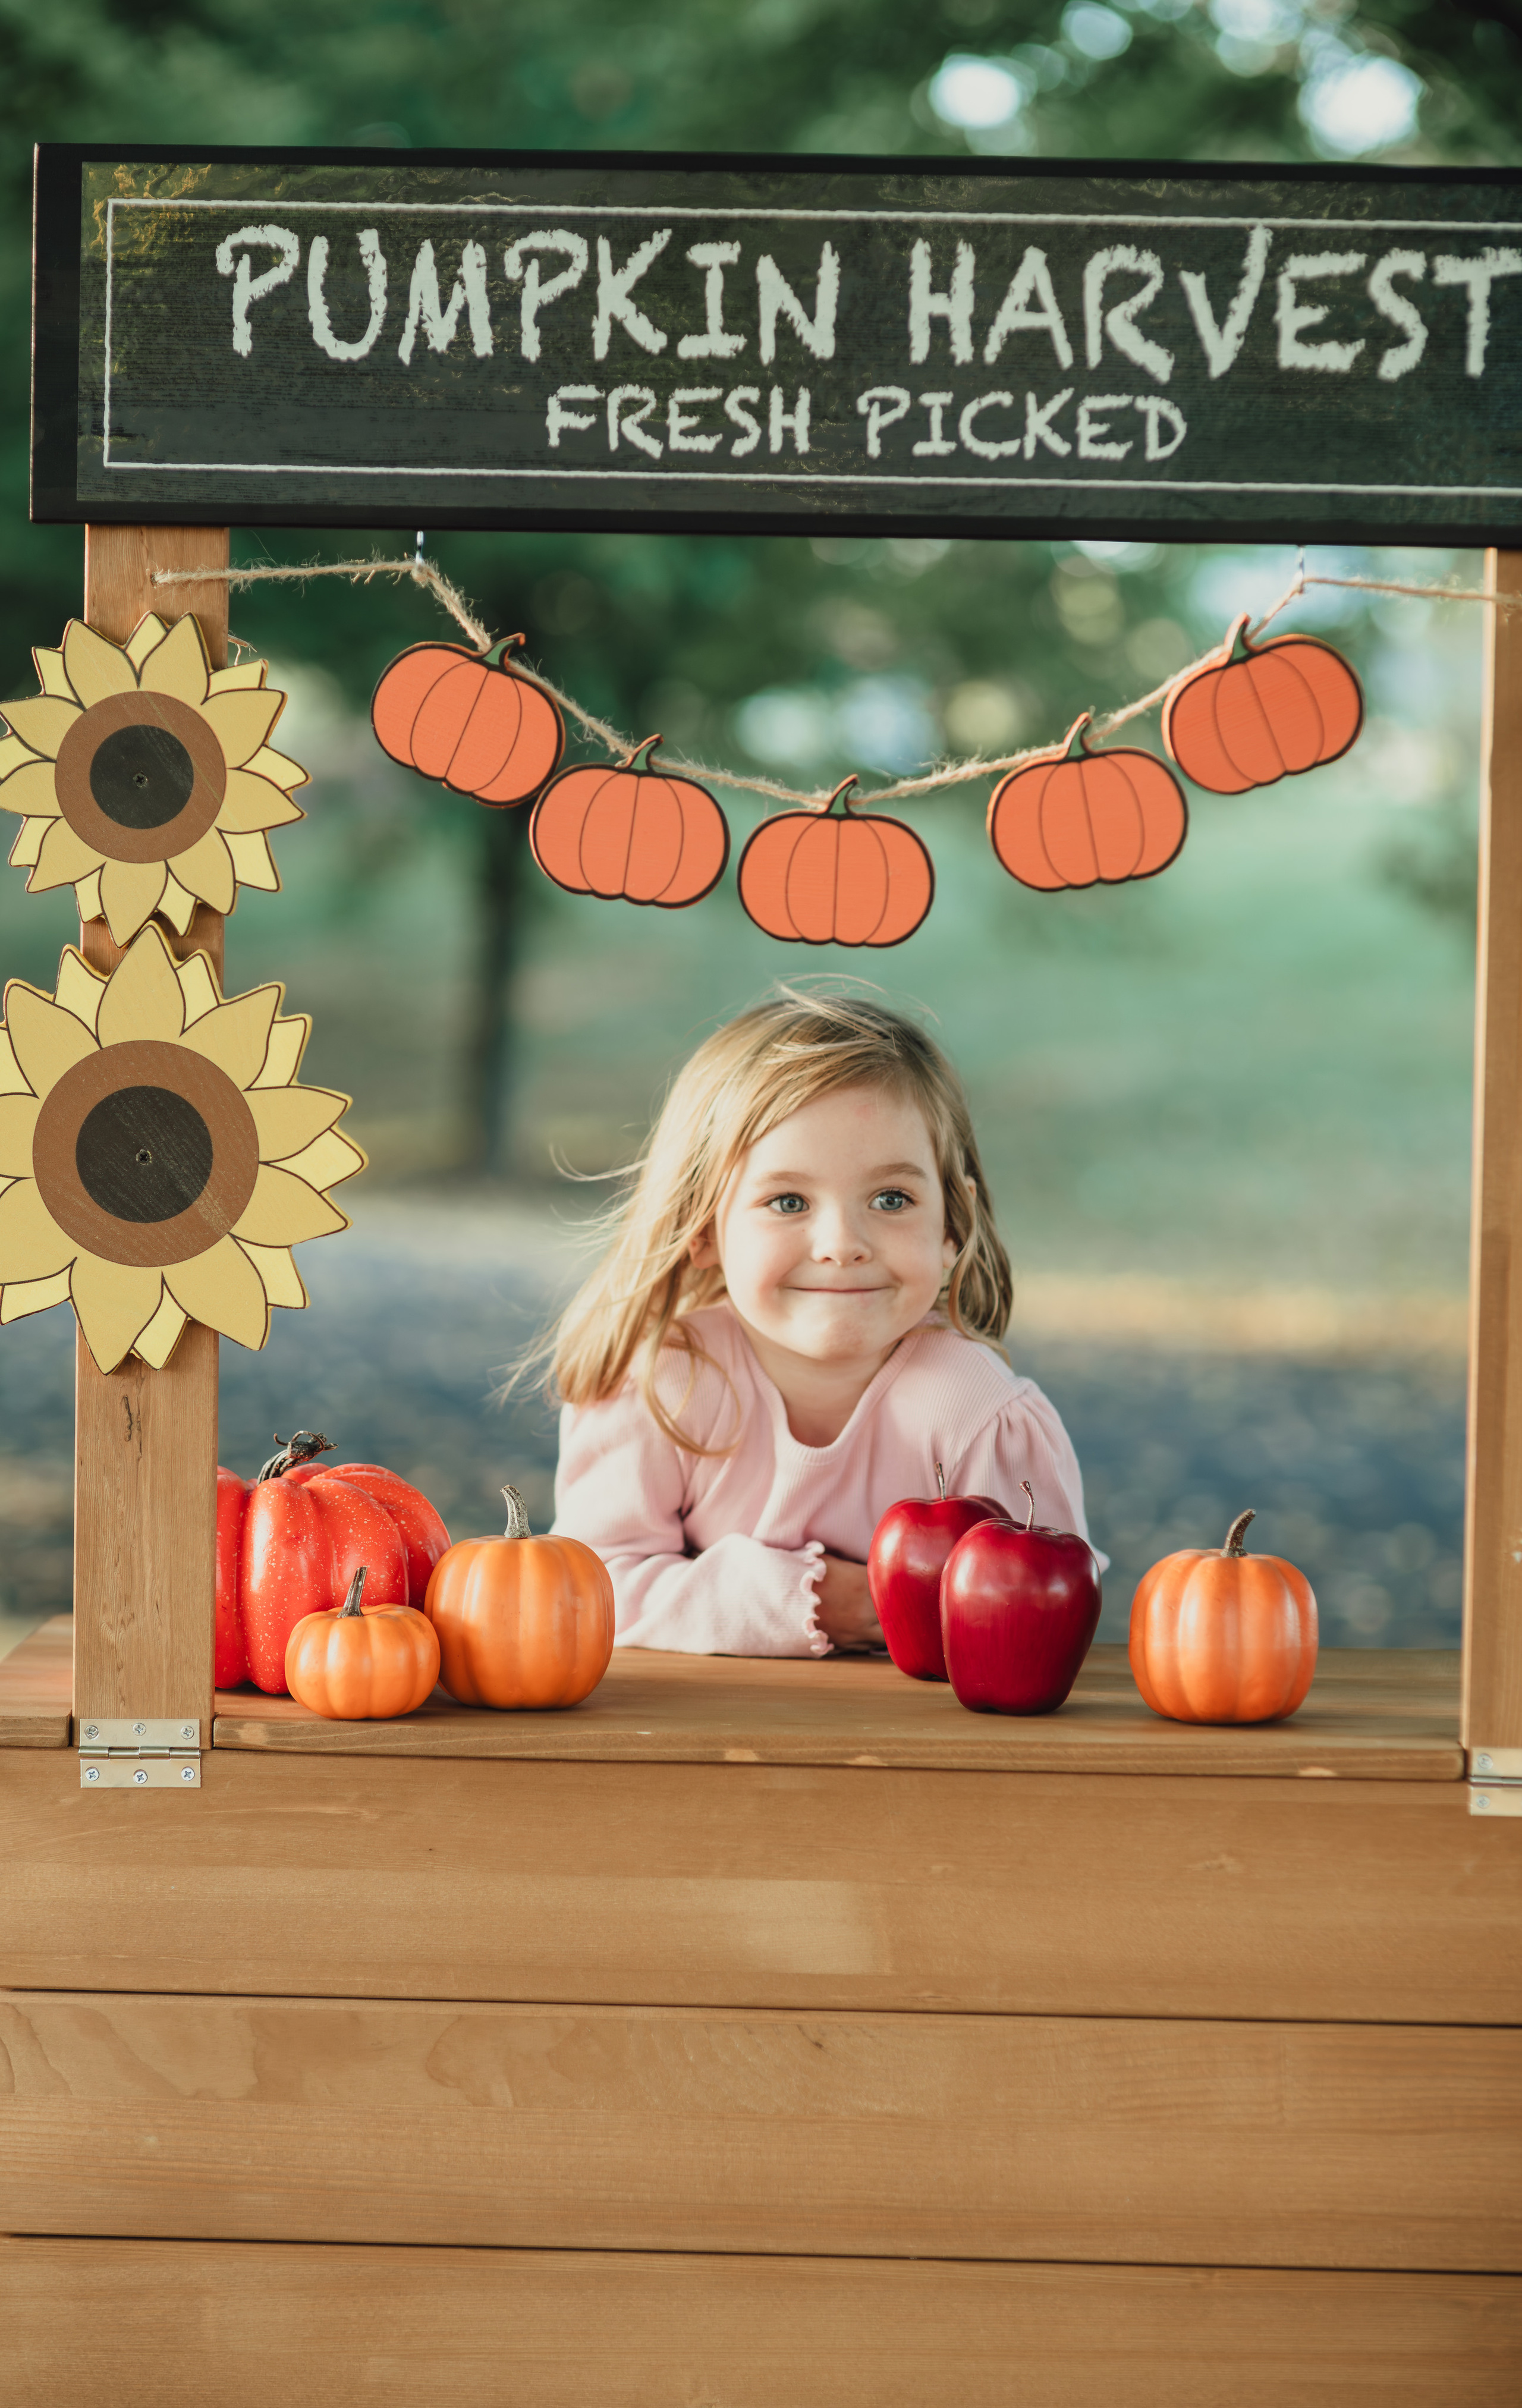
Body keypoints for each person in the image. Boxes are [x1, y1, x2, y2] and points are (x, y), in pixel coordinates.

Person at [543, 989, 1095, 1656]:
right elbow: (589, 1588)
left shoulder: (977, 1411)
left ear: (953, 1223)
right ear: (703, 1227)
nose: (842, 1244)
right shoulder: (664, 1384)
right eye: (788, 1201)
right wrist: (807, 1601)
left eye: (891, 1199)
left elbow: (1045, 1614)